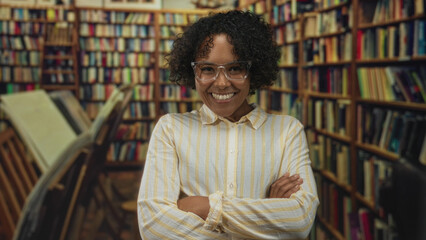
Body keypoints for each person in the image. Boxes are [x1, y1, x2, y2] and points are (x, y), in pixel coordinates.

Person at [137, 10, 319, 239]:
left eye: (235, 68)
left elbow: (300, 220)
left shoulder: (287, 131)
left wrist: (207, 208)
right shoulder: (170, 130)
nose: (221, 83)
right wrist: (266, 219)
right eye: (207, 69)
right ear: (193, 72)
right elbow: (154, 227)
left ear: (253, 71)